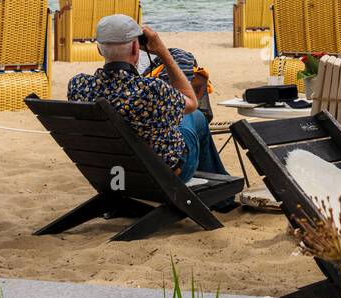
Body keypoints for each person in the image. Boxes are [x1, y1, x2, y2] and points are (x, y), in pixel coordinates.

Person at [66, 15, 198, 176]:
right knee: (195, 118)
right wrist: (163, 52)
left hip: (108, 172)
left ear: (99, 49)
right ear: (136, 48)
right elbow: (192, 102)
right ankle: (221, 193)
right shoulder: (153, 89)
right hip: (160, 176)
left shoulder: (78, 85)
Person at [145, 48, 230, 179]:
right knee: (196, 115)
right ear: (134, 48)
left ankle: (220, 179)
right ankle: (220, 181)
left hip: (124, 173)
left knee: (196, 117)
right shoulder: (152, 88)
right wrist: (160, 50)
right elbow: (189, 104)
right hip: (171, 171)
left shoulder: (105, 89)